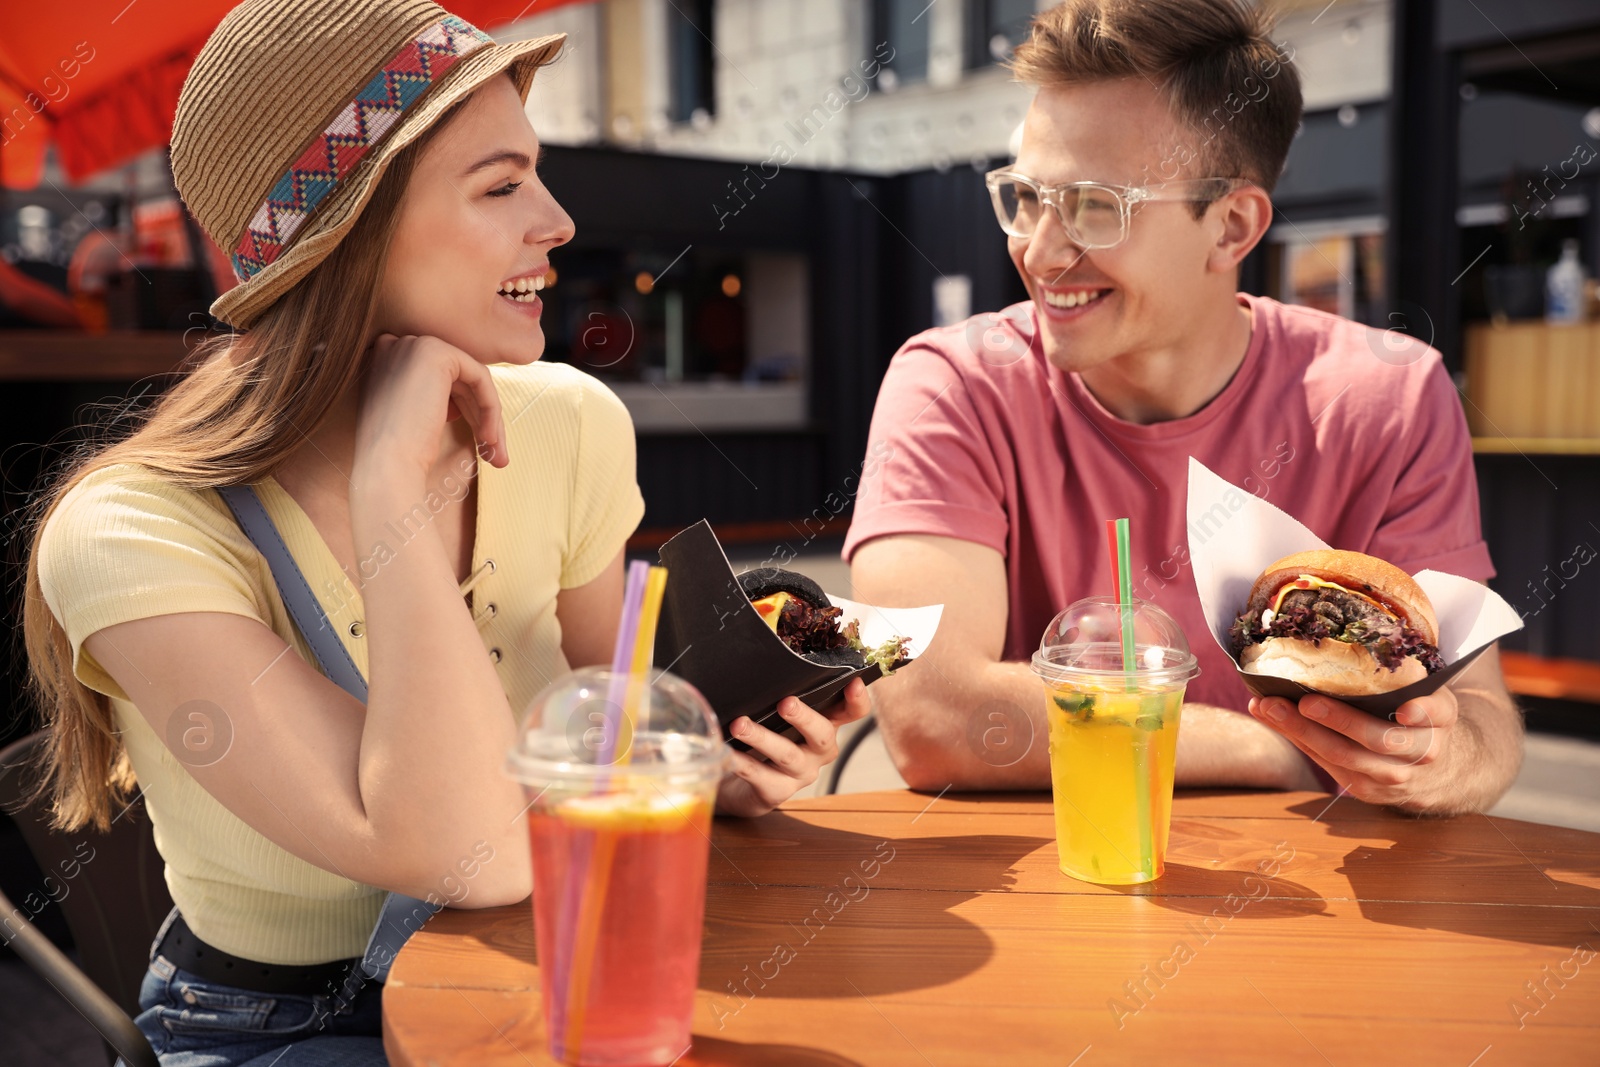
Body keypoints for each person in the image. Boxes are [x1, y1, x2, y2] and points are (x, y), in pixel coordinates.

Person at [24, 2, 865, 1064]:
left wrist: (712, 770)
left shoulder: (567, 421)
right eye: (501, 185)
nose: (557, 221)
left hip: (557, 950)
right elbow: (465, 851)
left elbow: (625, 724)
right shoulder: (130, 529)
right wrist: (392, 489)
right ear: (352, 231)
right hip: (288, 1027)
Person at [845, 0, 1521, 815]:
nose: (1041, 249)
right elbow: (934, 715)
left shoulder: (1391, 395)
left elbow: (1483, 718)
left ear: (1232, 226)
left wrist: (1439, 760)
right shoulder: (952, 383)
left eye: (1097, 205)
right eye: (1025, 195)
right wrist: (1273, 749)